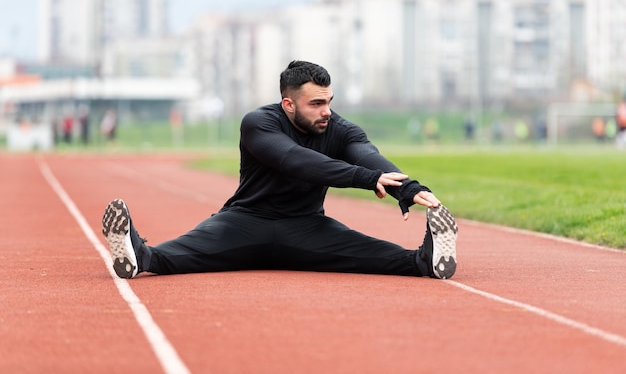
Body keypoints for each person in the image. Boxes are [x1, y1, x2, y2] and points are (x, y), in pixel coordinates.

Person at [102, 60, 458, 280]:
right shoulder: (259, 123)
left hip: (308, 228)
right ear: (288, 104)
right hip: (243, 223)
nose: (326, 111)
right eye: (316, 103)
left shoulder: (340, 128)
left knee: (387, 258)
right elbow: (296, 160)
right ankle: (136, 255)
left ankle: (426, 259)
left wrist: (407, 188)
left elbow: (367, 155)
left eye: (329, 101)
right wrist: (365, 180)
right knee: (170, 256)